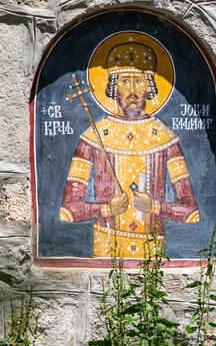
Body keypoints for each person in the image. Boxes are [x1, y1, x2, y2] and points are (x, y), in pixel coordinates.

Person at [59, 41, 199, 258]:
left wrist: (153, 206)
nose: (132, 91)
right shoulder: (93, 137)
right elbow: (68, 210)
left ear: (150, 88)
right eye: (125, 81)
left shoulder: (166, 139)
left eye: (139, 81)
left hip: (151, 251)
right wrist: (106, 209)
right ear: (114, 87)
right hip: (107, 247)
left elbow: (191, 213)